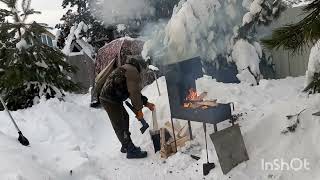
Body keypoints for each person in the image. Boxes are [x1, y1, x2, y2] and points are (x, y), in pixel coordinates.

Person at [99, 56, 155, 159]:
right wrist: (139, 111)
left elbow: (134, 92)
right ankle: (130, 150)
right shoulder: (132, 71)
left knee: (125, 117)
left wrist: (146, 103)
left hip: (112, 98)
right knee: (120, 124)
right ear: (139, 65)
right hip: (110, 99)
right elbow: (134, 93)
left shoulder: (126, 68)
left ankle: (125, 144)